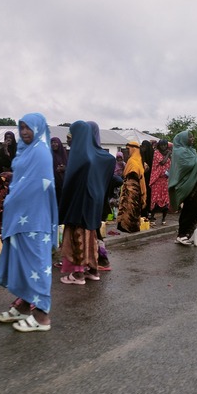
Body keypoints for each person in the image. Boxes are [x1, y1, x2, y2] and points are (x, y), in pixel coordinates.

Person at [0, 113, 58, 332]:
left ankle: (42, 317)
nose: (23, 132)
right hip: (21, 218)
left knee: (37, 264)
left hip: (34, 218)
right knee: (22, 264)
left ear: (38, 128)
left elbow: (37, 186)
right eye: (21, 127)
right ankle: (22, 306)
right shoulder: (25, 151)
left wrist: (12, 199)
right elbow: (22, 180)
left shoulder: (41, 152)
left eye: (28, 128)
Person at [58, 120, 115, 285]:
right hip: (93, 204)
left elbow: (71, 183)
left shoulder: (81, 156)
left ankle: (78, 275)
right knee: (91, 238)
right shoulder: (97, 155)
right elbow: (109, 161)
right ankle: (93, 270)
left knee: (77, 238)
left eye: (70, 136)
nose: (68, 140)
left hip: (79, 205)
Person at [169, 130, 197, 245]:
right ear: (183, 139)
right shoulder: (180, 152)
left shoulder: (191, 151)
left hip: (194, 184)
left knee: (193, 209)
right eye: (190, 137)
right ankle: (182, 235)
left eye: (193, 137)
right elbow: (186, 165)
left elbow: (196, 164)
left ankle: (183, 234)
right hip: (186, 185)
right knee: (190, 209)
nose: (192, 139)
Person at [116, 141, 147, 233]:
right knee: (130, 208)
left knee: (129, 207)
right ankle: (129, 227)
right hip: (132, 188)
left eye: (128, 149)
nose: (127, 151)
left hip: (132, 189)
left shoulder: (133, 161)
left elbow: (133, 174)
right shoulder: (137, 160)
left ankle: (128, 227)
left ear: (134, 149)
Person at [148, 139, 171, 226]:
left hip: (165, 180)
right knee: (156, 199)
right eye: (162, 145)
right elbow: (162, 162)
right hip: (157, 180)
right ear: (159, 146)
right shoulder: (157, 153)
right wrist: (168, 154)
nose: (164, 147)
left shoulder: (168, 154)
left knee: (165, 200)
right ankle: (152, 219)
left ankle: (164, 219)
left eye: (165, 145)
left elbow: (170, 163)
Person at [51, 136, 68, 206]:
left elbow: (69, 168)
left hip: (61, 185)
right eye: (52, 142)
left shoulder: (64, 155)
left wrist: (64, 168)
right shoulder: (48, 155)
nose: (54, 144)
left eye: (55, 142)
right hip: (51, 185)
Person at [140, 140, 154, 218]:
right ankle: (143, 211)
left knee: (149, 194)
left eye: (145, 146)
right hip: (143, 177)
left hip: (150, 178)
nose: (143, 148)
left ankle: (148, 211)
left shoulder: (152, 154)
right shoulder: (141, 154)